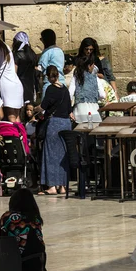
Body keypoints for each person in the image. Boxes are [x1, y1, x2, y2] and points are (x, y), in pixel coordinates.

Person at [0, 188, 44, 271]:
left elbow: (2, 244)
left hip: (19, 265)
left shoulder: (8, 217)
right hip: (37, 264)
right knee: (9, 268)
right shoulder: (36, 218)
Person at [36, 66, 72, 195]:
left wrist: (35, 109)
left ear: (48, 76)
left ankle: (51, 186)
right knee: (62, 155)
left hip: (55, 123)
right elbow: (69, 108)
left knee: (51, 155)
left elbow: (44, 106)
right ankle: (62, 186)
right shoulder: (65, 90)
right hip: (66, 123)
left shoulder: (50, 89)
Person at [0, 35, 24, 122]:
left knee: (11, 115)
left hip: (6, 84)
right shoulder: (7, 48)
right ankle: (20, 134)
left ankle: (14, 135)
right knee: (17, 116)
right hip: (16, 82)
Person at [68, 55, 104, 123]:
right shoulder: (95, 78)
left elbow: (69, 94)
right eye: (93, 65)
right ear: (89, 66)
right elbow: (102, 95)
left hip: (79, 113)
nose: (94, 67)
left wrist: (70, 111)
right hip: (94, 114)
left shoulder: (76, 77)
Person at [38, 29, 66, 96]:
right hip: (61, 82)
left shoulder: (47, 52)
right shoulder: (60, 51)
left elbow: (40, 68)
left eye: (41, 38)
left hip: (50, 82)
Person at [13, 31, 38, 104]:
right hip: (31, 85)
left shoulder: (17, 55)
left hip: (20, 86)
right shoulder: (32, 54)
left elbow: (14, 72)